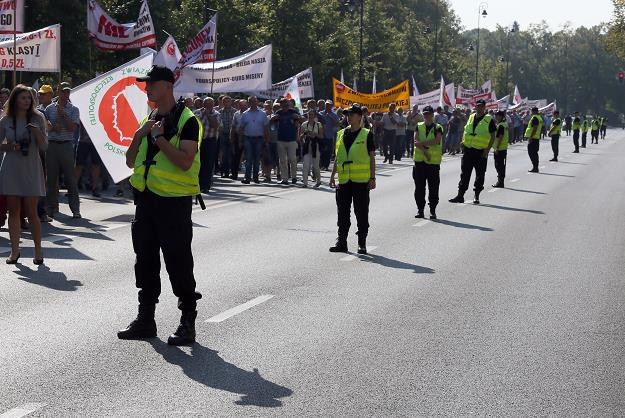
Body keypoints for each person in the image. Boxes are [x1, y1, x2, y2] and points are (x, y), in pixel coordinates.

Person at [119, 65, 203, 346]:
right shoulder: (148, 118)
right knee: (144, 261)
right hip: (146, 200)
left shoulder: (188, 120)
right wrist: (139, 135)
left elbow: (184, 161)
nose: (147, 87)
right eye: (146, 83)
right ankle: (146, 319)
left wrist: (158, 138)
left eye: (152, 83)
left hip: (174, 203)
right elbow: (131, 161)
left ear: (168, 85)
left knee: (178, 261)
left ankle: (187, 321)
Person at [0, 85, 48, 264]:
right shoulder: (6, 120)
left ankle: (38, 251)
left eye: (29, 98)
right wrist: (9, 146)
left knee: (32, 211)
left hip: (31, 168)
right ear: (15, 99)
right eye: (23, 98)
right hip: (11, 168)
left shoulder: (38, 117)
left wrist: (36, 132)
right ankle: (14, 251)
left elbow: (44, 147)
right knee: (13, 211)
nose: (27, 101)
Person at [329, 103, 376, 254]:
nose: (348, 117)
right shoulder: (341, 133)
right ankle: (341, 242)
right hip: (344, 181)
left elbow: (372, 157)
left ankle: (362, 242)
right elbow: (338, 157)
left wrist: (372, 177)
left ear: (359, 117)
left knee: (361, 212)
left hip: (361, 182)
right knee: (342, 213)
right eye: (347, 114)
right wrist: (332, 175)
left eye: (351, 114)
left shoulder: (367, 134)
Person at [449, 99, 495, 205]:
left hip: (480, 152)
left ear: (484, 107)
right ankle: (460, 195)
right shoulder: (471, 117)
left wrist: (487, 150)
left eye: (481, 106)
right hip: (468, 150)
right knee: (464, 174)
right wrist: (462, 141)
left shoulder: (489, 119)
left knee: (480, 174)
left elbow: (493, 136)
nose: (479, 108)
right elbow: (466, 130)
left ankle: (476, 195)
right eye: (477, 106)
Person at [45, 82, 81, 219]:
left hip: (66, 145)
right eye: (63, 92)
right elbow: (46, 127)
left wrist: (63, 114)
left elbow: (73, 128)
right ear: (58, 92)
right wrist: (53, 127)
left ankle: (75, 209)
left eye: (68, 92)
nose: (66, 94)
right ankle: (50, 208)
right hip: (52, 145)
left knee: (71, 179)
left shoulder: (74, 109)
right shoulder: (49, 109)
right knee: (51, 179)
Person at [412, 106, 442, 220]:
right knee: (419, 188)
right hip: (420, 162)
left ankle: (432, 210)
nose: (426, 116)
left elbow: (437, 140)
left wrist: (422, 143)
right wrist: (425, 151)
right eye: (425, 114)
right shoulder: (418, 126)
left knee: (433, 188)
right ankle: (420, 210)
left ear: (432, 115)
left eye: (428, 114)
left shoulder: (438, 127)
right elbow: (415, 141)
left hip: (433, 164)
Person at [273, 98, 300, 185]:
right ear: (280, 105)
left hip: (291, 139)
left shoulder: (293, 112)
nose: (285, 106)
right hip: (281, 139)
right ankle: (284, 178)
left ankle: (294, 177)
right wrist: (273, 118)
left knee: (292, 159)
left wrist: (297, 117)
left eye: (286, 104)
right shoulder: (278, 113)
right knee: (282, 160)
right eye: (283, 104)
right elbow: (272, 123)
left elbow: (300, 122)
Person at [198, 97, 220, 192]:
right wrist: (202, 114)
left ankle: (206, 185)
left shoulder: (216, 113)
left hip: (210, 141)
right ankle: (197, 184)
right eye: (206, 103)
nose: (208, 105)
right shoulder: (197, 112)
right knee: (198, 163)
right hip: (198, 141)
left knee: (208, 164)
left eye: (210, 103)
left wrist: (208, 114)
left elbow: (215, 125)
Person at [75, 123, 103, 197]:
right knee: (78, 164)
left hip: (97, 141)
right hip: (83, 140)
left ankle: (95, 188)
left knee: (96, 164)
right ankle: (73, 189)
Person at [300, 109, 323, 188]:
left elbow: (321, 136)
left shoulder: (318, 124)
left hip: (315, 146)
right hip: (307, 146)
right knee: (305, 165)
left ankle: (318, 180)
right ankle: (305, 183)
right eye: (309, 115)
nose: (310, 116)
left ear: (315, 116)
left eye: (312, 115)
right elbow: (300, 137)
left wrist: (314, 134)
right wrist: (304, 134)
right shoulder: (304, 124)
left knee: (315, 166)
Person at [318, 100, 339, 170]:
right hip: (321, 135)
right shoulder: (320, 113)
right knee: (322, 150)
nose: (328, 106)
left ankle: (326, 166)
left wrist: (330, 117)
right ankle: (321, 165)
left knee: (329, 151)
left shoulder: (334, 115)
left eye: (329, 105)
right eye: (327, 105)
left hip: (329, 135)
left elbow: (337, 124)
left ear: (331, 106)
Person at [218, 96, 235, 178]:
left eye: (228, 101)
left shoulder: (235, 112)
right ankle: (225, 172)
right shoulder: (219, 112)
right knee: (224, 154)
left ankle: (233, 171)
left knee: (232, 154)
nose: (227, 103)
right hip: (223, 135)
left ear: (231, 102)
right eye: (225, 101)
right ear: (222, 102)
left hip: (233, 135)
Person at [492, 110, 509, 188]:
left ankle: (500, 182)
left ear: (501, 116)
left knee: (499, 166)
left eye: (497, 115)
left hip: (500, 148)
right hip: (503, 148)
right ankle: (500, 181)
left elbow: (500, 137)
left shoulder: (501, 125)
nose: (496, 117)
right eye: (496, 115)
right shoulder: (504, 124)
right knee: (501, 165)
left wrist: (497, 148)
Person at [525, 107, 543, 172]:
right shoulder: (539, 117)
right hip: (536, 138)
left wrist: (531, 137)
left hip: (533, 138)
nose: (531, 113)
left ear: (533, 111)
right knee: (534, 153)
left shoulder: (535, 117)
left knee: (532, 153)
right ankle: (535, 167)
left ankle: (535, 167)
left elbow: (535, 128)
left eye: (531, 111)